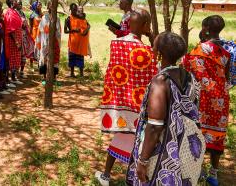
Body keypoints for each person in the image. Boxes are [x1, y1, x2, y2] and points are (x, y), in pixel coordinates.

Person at [126, 32, 205, 185]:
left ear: (159, 54)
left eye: (154, 47)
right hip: (185, 149)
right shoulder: (189, 78)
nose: (152, 49)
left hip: (162, 153)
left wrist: (142, 161)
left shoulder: (160, 83)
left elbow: (155, 127)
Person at [95, 9, 156, 186]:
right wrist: (152, 40)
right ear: (145, 26)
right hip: (139, 108)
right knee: (136, 143)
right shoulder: (146, 51)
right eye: (148, 24)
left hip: (119, 104)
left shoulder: (116, 44)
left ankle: (106, 175)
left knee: (122, 138)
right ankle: (131, 177)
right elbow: (153, 76)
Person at [183, 15, 231, 186]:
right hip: (221, 101)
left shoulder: (198, 50)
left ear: (205, 29)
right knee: (217, 136)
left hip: (202, 100)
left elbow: (186, 69)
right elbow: (225, 78)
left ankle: (197, 170)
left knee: (198, 134)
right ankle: (214, 174)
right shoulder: (226, 53)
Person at [34, 1, 61, 84]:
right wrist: (48, 29)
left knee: (54, 57)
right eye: (50, 5)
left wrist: (54, 30)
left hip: (54, 40)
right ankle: (44, 77)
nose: (52, 7)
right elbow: (41, 29)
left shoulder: (57, 17)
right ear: (48, 7)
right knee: (44, 57)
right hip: (45, 40)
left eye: (54, 5)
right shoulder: (44, 17)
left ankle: (54, 77)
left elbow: (58, 30)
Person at [64, 3, 91, 77]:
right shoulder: (68, 19)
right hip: (72, 41)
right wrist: (73, 31)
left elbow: (88, 25)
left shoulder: (80, 17)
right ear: (70, 10)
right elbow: (65, 31)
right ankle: (72, 73)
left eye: (75, 9)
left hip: (80, 41)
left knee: (80, 57)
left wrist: (86, 31)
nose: (75, 11)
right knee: (72, 57)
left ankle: (81, 74)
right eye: (73, 9)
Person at [4, 0, 23, 85]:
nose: (17, 2)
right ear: (11, 3)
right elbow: (10, 30)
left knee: (16, 58)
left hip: (18, 37)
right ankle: (8, 79)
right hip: (12, 40)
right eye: (15, 1)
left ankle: (13, 77)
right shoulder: (9, 13)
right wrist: (16, 41)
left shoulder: (14, 11)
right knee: (11, 59)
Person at [16, 0, 34, 79]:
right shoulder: (14, 13)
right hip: (17, 36)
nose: (20, 5)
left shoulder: (22, 13)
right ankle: (15, 72)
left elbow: (25, 23)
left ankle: (22, 71)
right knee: (17, 54)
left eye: (21, 4)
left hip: (23, 36)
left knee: (23, 55)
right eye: (18, 4)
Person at [29, 0, 43, 69]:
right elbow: (30, 26)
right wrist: (30, 34)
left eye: (40, 4)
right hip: (34, 33)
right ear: (35, 6)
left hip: (41, 33)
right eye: (38, 5)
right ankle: (31, 64)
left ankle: (39, 63)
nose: (40, 6)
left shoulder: (42, 14)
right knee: (33, 48)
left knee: (40, 48)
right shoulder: (32, 15)